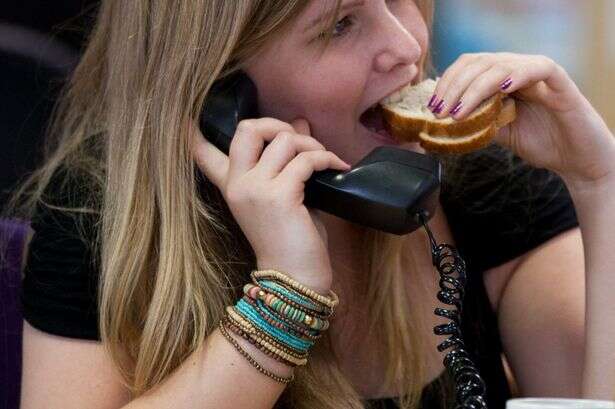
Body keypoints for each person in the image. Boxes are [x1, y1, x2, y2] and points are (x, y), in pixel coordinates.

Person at [8, 0, 615, 408]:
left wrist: (600, 184)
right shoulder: (100, 216)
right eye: (340, 24)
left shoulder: (487, 183)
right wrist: (286, 296)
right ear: (220, 82)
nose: (406, 46)